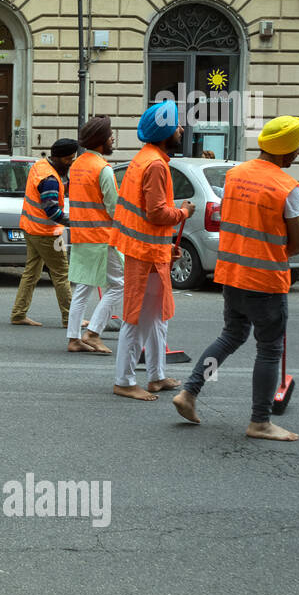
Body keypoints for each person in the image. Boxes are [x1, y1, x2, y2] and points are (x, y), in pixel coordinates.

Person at [173, 117, 299, 441]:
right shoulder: (285, 187)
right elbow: (297, 243)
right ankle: (260, 421)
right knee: (269, 350)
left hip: (231, 275)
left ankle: (189, 392)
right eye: (296, 148)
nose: (298, 154)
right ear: (286, 152)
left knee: (231, 336)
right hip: (264, 281)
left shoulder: (234, 176)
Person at [111, 100, 194, 401]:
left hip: (147, 251)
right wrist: (184, 212)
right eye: (177, 125)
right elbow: (158, 213)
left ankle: (156, 376)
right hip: (146, 254)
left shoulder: (144, 158)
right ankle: (124, 380)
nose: (182, 128)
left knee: (157, 316)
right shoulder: (156, 165)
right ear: (165, 132)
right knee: (137, 318)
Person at [66, 117, 122, 354]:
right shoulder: (103, 169)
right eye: (110, 136)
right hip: (101, 236)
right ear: (101, 141)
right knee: (119, 284)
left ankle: (73, 338)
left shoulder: (76, 165)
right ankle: (94, 332)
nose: (112, 139)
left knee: (82, 288)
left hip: (80, 234)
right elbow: (113, 207)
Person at [10, 137, 77, 327]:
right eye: (69, 159)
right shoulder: (50, 180)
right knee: (61, 274)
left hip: (31, 229)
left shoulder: (40, 166)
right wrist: (75, 222)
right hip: (48, 234)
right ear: (60, 158)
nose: (71, 162)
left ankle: (18, 314)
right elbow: (52, 211)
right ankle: (69, 318)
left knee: (31, 273)